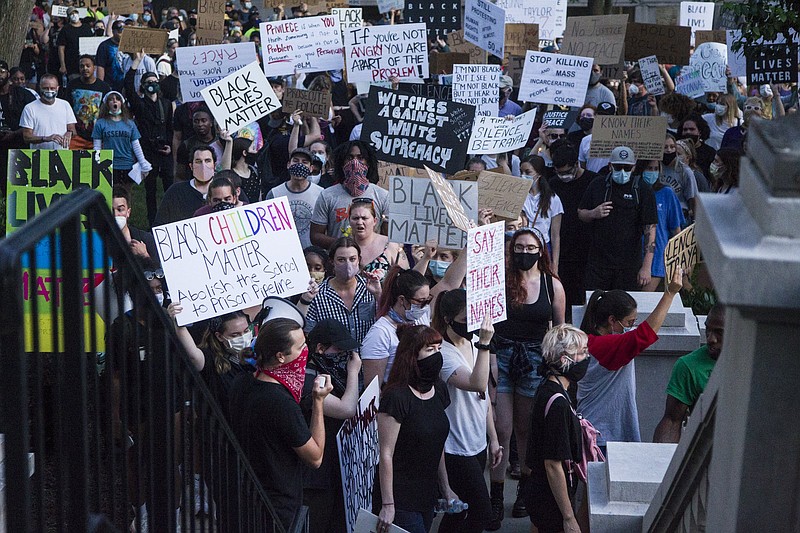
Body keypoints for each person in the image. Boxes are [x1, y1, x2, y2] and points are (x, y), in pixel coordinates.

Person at [488, 228, 565, 529]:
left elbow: (559, 330)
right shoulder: (500, 281)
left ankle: (524, 489)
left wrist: (556, 369)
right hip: (501, 355)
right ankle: (496, 495)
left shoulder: (552, 285)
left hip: (535, 360)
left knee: (526, 430)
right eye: (518, 247)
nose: (524, 252)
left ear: (540, 251)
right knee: (501, 427)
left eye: (530, 247)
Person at [228, 318, 333, 532]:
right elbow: (315, 458)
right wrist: (318, 402)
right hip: (276, 506)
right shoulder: (280, 404)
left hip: (243, 496)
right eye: (301, 347)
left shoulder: (241, 382)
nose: (306, 351)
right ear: (280, 356)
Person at [577, 268, 683, 451]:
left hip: (599, 431)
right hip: (602, 436)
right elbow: (645, 335)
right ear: (612, 320)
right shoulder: (604, 346)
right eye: (629, 322)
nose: (631, 328)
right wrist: (669, 293)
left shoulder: (590, 340)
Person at [376, 325, 457, 533]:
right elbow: (386, 453)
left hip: (427, 495)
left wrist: (446, 488)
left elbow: (436, 443)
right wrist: (388, 504)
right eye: (430, 350)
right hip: (401, 498)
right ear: (412, 356)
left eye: (439, 348)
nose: (437, 355)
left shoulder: (438, 389)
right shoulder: (396, 397)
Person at [432, 291, 501, 533]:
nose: (470, 324)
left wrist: (492, 438)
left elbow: (481, 400)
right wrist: (484, 344)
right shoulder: (443, 353)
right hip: (455, 447)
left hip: (476, 441)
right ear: (449, 319)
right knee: (482, 513)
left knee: (459, 512)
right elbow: (477, 383)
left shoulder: (472, 343)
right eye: (465, 319)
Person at [518, 324, 590, 533]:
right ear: (563, 360)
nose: (587, 358)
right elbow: (552, 464)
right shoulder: (558, 403)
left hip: (540, 492)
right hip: (550, 498)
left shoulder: (548, 388)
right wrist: (568, 517)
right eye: (582, 353)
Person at [362, 247, 467, 387]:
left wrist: (469, 245)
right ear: (402, 300)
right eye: (420, 301)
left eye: (428, 300)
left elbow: (448, 283)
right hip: (397, 404)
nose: (425, 306)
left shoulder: (421, 314)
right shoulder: (380, 333)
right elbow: (373, 389)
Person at [300, 319, 363, 533]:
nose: (344, 354)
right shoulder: (309, 378)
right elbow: (346, 408)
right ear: (320, 348)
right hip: (317, 476)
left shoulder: (329, 369)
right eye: (339, 349)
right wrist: (354, 372)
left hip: (337, 465)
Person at [578, 146, 658, 291]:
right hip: (599, 263)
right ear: (610, 166)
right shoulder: (598, 184)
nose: (622, 171)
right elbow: (581, 213)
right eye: (618, 167)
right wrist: (593, 213)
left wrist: (646, 267)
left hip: (629, 264)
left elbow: (650, 229)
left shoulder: (642, 189)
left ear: (633, 168)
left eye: (627, 168)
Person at [654, 304, 725, 443]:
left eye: (719, 332)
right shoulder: (689, 366)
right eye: (708, 330)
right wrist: (661, 458)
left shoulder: (758, 360)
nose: (711, 339)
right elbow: (672, 421)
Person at [549, 141, 598, 320]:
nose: (563, 177)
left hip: (587, 248)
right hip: (563, 248)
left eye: (567, 172)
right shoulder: (553, 183)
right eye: (559, 173)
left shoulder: (593, 181)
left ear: (577, 164)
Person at [310, 141, 389, 249]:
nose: (355, 162)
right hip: (339, 261)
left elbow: (388, 235)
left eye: (360, 158)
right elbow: (315, 235)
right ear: (342, 163)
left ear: (368, 163)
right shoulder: (327, 195)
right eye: (350, 158)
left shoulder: (382, 196)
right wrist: (344, 245)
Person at [126, 53, 174, 226]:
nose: (152, 84)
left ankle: (171, 219)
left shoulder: (167, 104)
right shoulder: (139, 104)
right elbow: (128, 88)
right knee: (150, 191)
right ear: (143, 86)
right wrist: (137, 62)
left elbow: (170, 127)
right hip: (148, 153)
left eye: (155, 81)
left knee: (169, 188)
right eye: (148, 82)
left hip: (165, 151)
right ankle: (153, 222)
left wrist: (169, 146)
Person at [303, 238, 381, 344]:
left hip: (368, 356)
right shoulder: (318, 294)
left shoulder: (370, 288)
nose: (348, 265)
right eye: (341, 260)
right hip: (333, 359)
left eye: (352, 259)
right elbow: (309, 333)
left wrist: (378, 294)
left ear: (359, 260)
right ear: (332, 262)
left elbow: (387, 321)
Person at [635, 159, 684, 291]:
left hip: (657, 256)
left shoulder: (666, 193)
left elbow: (676, 229)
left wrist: (681, 258)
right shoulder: (634, 191)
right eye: (649, 168)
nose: (652, 172)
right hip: (631, 255)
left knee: (644, 301)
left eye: (655, 168)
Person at [266, 147, 323, 249]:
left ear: (311, 168)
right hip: (284, 251)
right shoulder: (274, 194)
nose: (299, 165)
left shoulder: (321, 194)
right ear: (288, 165)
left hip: (312, 254)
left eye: (304, 162)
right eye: (295, 161)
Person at [92, 91, 152, 188]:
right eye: (111, 99)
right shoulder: (100, 123)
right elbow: (97, 146)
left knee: (126, 194)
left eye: (117, 99)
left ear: (121, 104)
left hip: (127, 164)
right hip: (109, 165)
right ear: (107, 104)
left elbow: (136, 145)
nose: (115, 101)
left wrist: (143, 163)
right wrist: (96, 164)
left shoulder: (130, 124)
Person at [348, 198, 409, 283]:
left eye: (364, 218)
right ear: (349, 221)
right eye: (355, 218)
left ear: (374, 221)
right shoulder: (344, 246)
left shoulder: (390, 245)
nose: (359, 222)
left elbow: (407, 280)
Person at [153, 145, 216, 225]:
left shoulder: (224, 191)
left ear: (214, 165)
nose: (203, 166)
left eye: (207, 161)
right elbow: (160, 224)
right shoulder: (176, 192)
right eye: (198, 161)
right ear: (191, 166)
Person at [521, 156, 563, 274]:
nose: (523, 175)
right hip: (521, 246)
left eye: (528, 172)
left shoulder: (553, 199)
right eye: (521, 172)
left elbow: (555, 235)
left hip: (543, 247)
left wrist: (555, 264)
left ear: (539, 174)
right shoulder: (518, 196)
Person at [20, 73, 77, 150]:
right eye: (46, 88)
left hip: (62, 155)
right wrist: (46, 138)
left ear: (57, 88)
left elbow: (72, 129)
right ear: (40, 88)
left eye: (52, 88)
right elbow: (26, 137)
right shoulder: (30, 108)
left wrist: (69, 133)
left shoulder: (65, 105)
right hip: (39, 155)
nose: (49, 91)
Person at [66, 54, 111, 150]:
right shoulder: (72, 85)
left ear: (94, 68)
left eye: (88, 66)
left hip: (97, 136)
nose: (85, 68)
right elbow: (66, 107)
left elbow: (107, 111)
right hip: (76, 135)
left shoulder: (104, 87)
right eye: (82, 66)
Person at [112, 186, 158, 262]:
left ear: (128, 212)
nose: (115, 214)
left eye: (120, 209)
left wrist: (145, 255)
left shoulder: (146, 239)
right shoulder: (98, 242)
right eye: (111, 210)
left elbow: (159, 270)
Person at [661, 133, 698, 220]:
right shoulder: (654, 168)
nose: (669, 150)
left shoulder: (685, 171)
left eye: (672, 147)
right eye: (665, 147)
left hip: (679, 215)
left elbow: (693, 199)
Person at [57, 7, 93, 79]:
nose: (74, 15)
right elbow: (61, 48)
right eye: (71, 14)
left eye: (75, 12)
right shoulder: (65, 29)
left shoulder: (86, 27)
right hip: (72, 65)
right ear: (68, 16)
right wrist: (63, 65)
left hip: (87, 63)